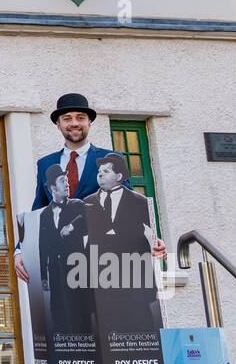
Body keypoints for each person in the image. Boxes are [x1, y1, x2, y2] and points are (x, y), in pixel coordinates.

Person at [15, 92, 130, 283]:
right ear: (58, 124)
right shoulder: (46, 164)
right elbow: (39, 210)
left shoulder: (112, 159)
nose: (74, 123)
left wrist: (150, 237)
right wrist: (21, 250)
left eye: (80, 118)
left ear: (89, 123)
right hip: (62, 262)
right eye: (67, 118)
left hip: (104, 256)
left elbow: (129, 203)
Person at [82, 152, 165, 333]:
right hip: (100, 280)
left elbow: (153, 236)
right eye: (99, 171)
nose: (100, 174)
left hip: (132, 279)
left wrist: (158, 245)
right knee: (105, 336)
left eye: (106, 171)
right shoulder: (86, 203)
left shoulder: (139, 202)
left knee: (141, 331)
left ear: (119, 176)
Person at [33, 163, 93, 335]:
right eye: (62, 181)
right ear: (52, 187)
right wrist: (44, 276)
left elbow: (91, 219)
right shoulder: (44, 214)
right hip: (55, 273)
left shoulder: (77, 205)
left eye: (67, 180)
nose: (67, 184)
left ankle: (85, 350)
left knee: (80, 313)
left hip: (77, 271)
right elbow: (42, 245)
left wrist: (72, 226)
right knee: (58, 312)